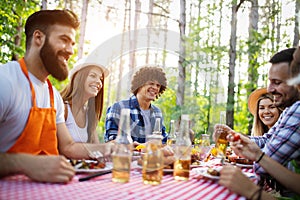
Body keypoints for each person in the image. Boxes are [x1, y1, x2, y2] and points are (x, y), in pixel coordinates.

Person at [0, 10, 113, 183]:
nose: (70, 51)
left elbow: (69, 146)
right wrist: (25, 163)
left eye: (73, 43)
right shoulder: (5, 81)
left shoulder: (53, 95)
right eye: (64, 40)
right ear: (38, 38)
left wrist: (109, 148)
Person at [213, 47, 300, 198]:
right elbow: (266, 140)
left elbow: (263, 166)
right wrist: (234, 136)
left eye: (277, 82)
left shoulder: (297, 109)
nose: (270, 89)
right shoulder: (288, 109)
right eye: (270, 82)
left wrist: (258, 158)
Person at [104, 66, 168, 145]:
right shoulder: (119, 107)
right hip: (127, 157)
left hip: (151, 157)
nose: (155, 87)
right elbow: (111, 142)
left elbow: (163, 140)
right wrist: (141, 147)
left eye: (158, 85)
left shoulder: (157, 112)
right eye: (151, 83)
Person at [60, 58, 109, 143]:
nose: (98, 82)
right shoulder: (63, 109)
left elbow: (96, 148)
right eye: (93, 76)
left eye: (101, 79)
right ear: (79, 78)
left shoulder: (89, 114)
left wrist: (123, 147)